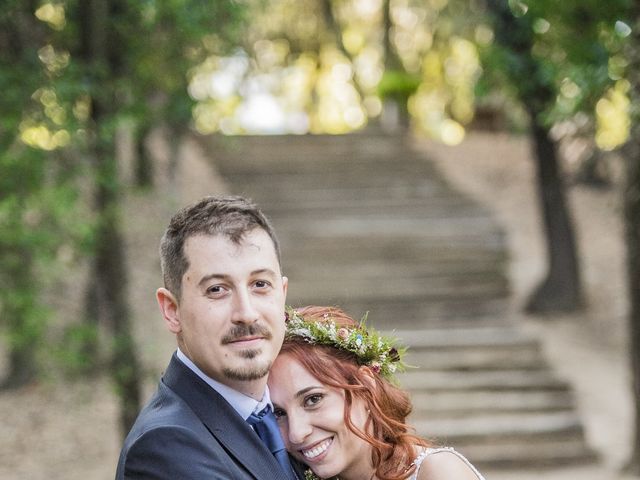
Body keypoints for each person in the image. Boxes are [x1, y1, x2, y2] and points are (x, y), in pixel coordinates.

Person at [116, 195, 305, 479]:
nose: (247, 313)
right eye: (217, 289)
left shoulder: (299, 425)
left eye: (260, 284)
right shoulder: (165, 448)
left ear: (283, 294)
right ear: (172, 310)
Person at [268, 305, 487, 480]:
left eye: (313, 399)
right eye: (278, 413)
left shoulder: (438, 473)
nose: (296, 433)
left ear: (366, 383)